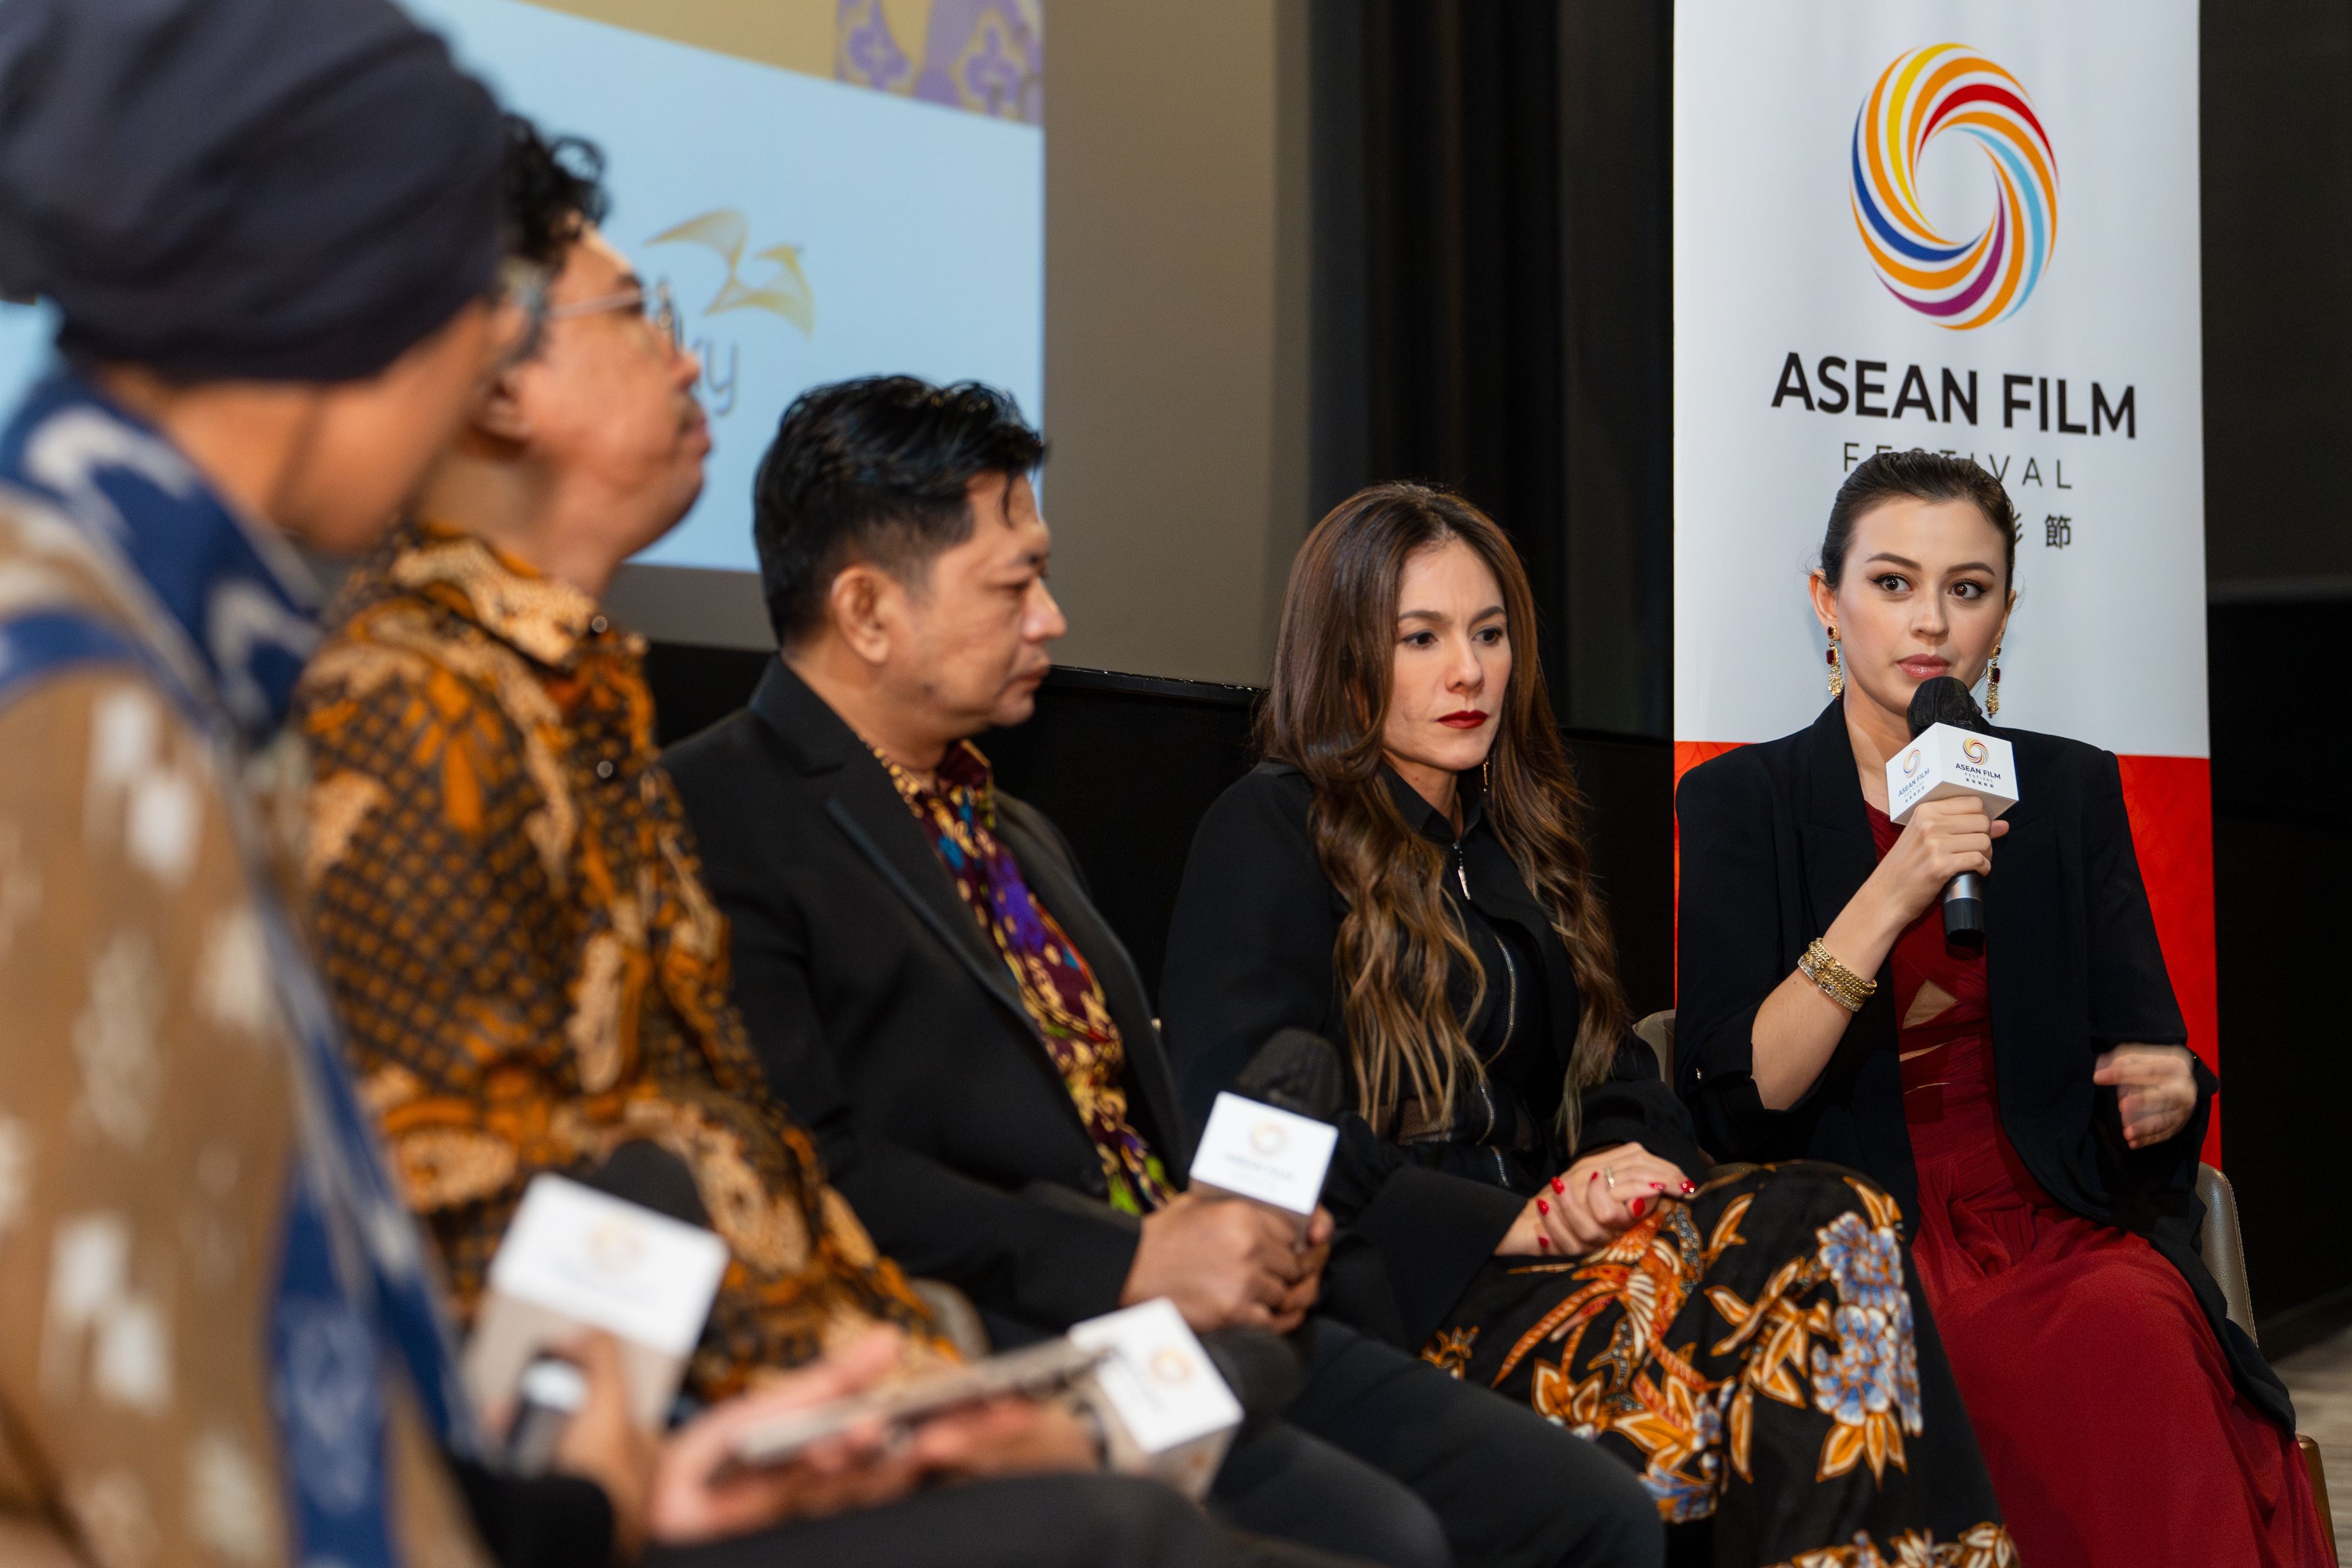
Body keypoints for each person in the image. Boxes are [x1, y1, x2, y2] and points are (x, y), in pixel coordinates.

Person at [292, 119, 1323, 1568]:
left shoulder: (576, 696)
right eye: (633, 313)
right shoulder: (416, 707)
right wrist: (860, 1417)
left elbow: (733, 1157)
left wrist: (929, 1380)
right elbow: (488, 1218)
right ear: (500, 381)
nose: (685, 355)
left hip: (825, 1370)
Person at [666, 376, 1667, 1568]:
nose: (1050, 619)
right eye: (1013, 585)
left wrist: (1233, 1232)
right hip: (992, 1334)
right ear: (868, 609)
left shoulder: (1016, 834)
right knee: (1389, 1539)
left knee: (1593, 1511)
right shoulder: (718, 813)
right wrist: (1137, 1256)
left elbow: (1167, 1119)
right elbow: (804, 1170)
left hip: (1177, 1319)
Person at [1160, 482, 2012, 1567]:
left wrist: (1631, 1171)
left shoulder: (1511, 849)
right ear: (1345, 656)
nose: (1469, 672)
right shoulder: (1272, 828)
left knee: (1837, 1215)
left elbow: (1621, 1082)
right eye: (1421, 638)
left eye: (1489, 634)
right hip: (1402, 1295)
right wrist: (1504, 1223)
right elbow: (1244, 1122)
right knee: (1805, 1280)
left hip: (1570, 1266)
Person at [1673, 450, 2329, 1566]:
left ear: (2006, 614)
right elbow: (1743, 1094)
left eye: (1967, 589)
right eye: (1892, 583)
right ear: (1827, 600)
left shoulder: (2068, 789)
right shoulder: (1741, 800)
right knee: (1955, 1360)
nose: (1931, 621)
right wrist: (1896, 886)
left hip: (2052, 1210)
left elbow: (2145, 1048)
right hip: (1860, 1222)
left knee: (2138, 1335)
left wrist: (2169, 1089)